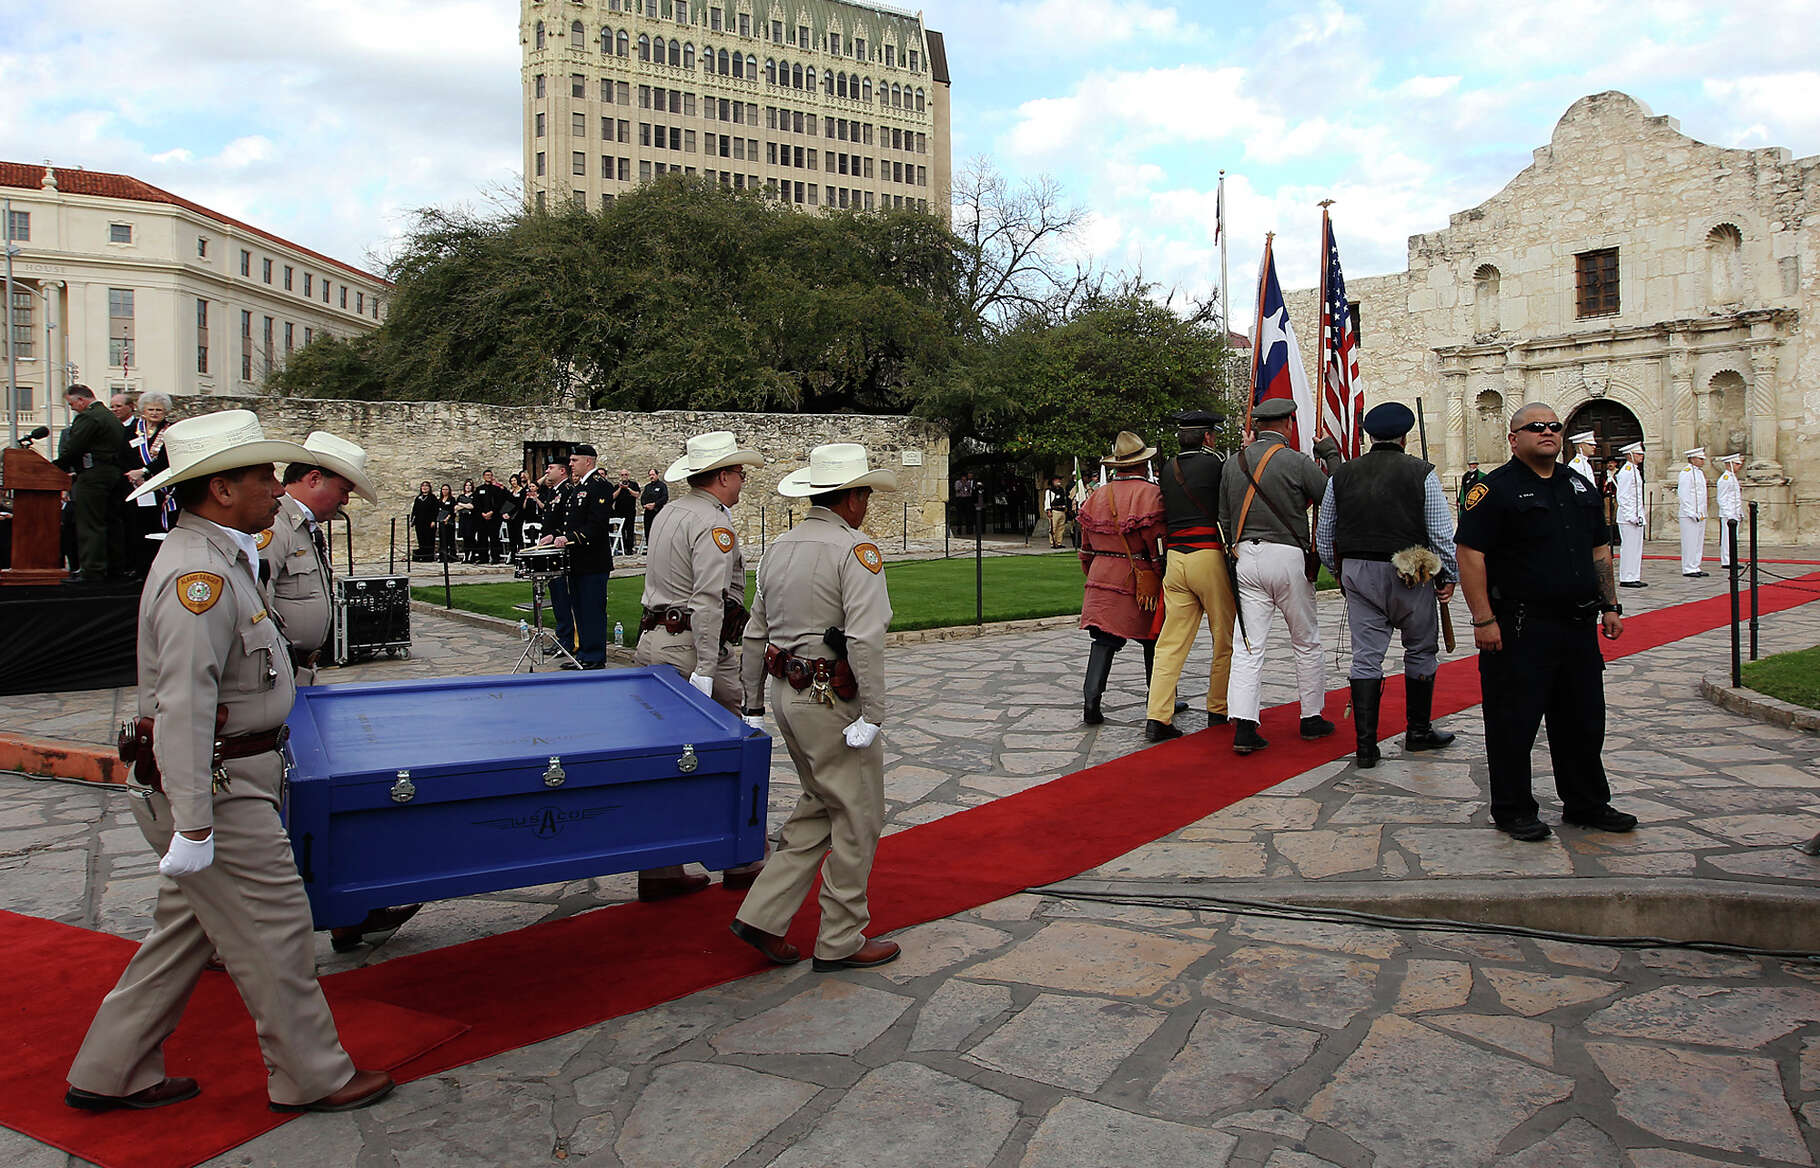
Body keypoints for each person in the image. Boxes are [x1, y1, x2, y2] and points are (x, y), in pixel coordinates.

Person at [65, 409, 393, 1115]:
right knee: (276, 931)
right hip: (217, 787)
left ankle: (110, 1068)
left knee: (184, 934)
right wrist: (194, 823)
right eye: (262, 475)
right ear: (220, 490)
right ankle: (311, 1075)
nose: (278, 488)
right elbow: (183, 705)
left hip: (226, 778)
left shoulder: (219, 558)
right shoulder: (199, 577)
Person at [729, 443, 900, 972]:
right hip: (832, 696)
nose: (867, 502)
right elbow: (865, 639)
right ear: (849, 499)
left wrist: (753, 699)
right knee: (857, 814)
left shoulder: (780, 547)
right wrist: (873, 713)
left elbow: (755, 630)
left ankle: (763, 913)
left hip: (788, 691)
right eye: (865, 492)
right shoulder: (856, 550)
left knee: (819, 804)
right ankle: (843, 936)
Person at [1456, 402, 1634, 843]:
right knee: (1514, 723)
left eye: (1554, 426)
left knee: (1583, 720)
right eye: (1536, 427)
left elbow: (1598, 550)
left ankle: (1586, 802)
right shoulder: (1493, 490)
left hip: (1576, 626)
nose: (1548, 432)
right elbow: (1470, 554)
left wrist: (1610, 605)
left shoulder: (1579, 486)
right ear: (1514, 439)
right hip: (1519, 626)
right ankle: (1514, 809)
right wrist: (1482, 619)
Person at [634, 431, 768, 902]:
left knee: (665, 756)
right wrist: (708, 667)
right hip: (692, 645)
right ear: (724, 475)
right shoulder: (714, 524)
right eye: (740, 473)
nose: (743, 480)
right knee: (737, 747)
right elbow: (708, 600)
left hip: (656, 638)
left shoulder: (671, 511)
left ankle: (659, 864)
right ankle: (743, 856)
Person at [1315, 402, 1459, 769]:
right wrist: (1448, 576)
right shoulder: (1422, 472)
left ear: (1369, 435)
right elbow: (1441, 534)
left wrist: (1341, 570)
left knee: (1366, 657)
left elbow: (1325, 531)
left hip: (1359, 571)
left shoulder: (1341, 475)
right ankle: (1418, 731)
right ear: (1405, 436)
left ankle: (1366, 748)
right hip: (1409, 570)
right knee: (1421, 649)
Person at [1217, 398, 1338, 754]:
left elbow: (1224, 516)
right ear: (1287, 423)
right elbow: (1332, 497)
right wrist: (1331, 456)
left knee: (1248, 647)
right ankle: (1311, 717)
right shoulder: (1296, 461)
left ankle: (1244, 724)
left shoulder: (1232, 464)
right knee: (1305, 639)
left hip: (1244, 555)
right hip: (1287, 555)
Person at [1144, 410, 1235, 741]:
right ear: (1208, 437)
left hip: (1176, 559)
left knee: (1170, 643)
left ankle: (1158, 716)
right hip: (1207, 555)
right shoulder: (1217, 466)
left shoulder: (1168, 469)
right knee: (1223, 638)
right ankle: (1218, 708)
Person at [260, 432, 377, 686]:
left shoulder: (304, 528)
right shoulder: (274, 527)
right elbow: (259, 608)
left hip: (301, 670)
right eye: (343, 490)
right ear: (314, 479)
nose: (345, 500)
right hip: (280, 671)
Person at [1077, 432, 1166, 726]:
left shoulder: (1097, 495)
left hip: (1101, 574)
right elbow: (1156, 542)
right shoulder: (1151, 494)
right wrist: (1159, 572)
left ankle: (1091, 702)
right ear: (1142, 463)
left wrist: (1094, 570)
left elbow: (1085, 547)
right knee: (1154, 639)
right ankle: (1159, 702)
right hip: (1138, 579)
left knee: (1102, 640)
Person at [543, 444, 614, 667]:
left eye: (574, 460)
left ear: (588, 461)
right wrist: (556, 535)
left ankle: (594, 656)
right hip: (577, 560)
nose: (571, 464)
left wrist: (571, 537)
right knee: (580, 610)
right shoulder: (580, 487)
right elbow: (570, 521)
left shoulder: (599, 486)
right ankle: (584, 653)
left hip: (592, 560)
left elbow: (597, 524)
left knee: (592, 609)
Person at [52, 383, 130, 582]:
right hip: (113, 473)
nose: (72, 408)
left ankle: (92, 570)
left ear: (81, 400)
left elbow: (74, 448)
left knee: (90, 523)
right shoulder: (111, 418)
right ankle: (115, 568)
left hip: (93, 474)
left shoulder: (89, 417)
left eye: (72, 404)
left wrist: (55, 467)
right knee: (112, 522)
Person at [120, 392, 176, 576]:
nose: (154, 413)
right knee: (135, 526)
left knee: (155, 526)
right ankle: (137, 566)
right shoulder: (132, 430)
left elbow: (167, 459)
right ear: (142, 411)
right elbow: (123, 454)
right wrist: (133, 474)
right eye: (150, 409)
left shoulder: (170, 431)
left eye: (158, 410)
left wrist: (145, 472)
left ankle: (155, 568)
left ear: (165, 412)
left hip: (159, 485)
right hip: (134, 484)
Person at [538, 459, 575, 651]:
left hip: (560, 549)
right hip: (550, 549)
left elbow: (569, 520)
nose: (547, 471)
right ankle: (563, 637)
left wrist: (556, 534)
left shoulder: (568, 490)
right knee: (556, 596)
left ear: (562, 471)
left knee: (562, 595)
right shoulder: (554, 491)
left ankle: (567, 640)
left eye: (551, 468)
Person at [1614, 442, 1646, 587]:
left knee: (1636, 547)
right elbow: (1623, 496)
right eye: (1639, 454)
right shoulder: (1626, 472)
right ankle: (1627, 577)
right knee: (1628, 547)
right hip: (1628, 517)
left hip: (1636, 516)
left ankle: (1634, 575)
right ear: (1630, 455)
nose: (1641, 457)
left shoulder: (1635, 470)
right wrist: (1630, 515)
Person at [1677, 448, 1709, 577]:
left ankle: (1695, 565)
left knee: (1697, 541)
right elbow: (1684, 494)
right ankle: (1688, 567)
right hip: (1688, 514)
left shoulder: (1699, 473)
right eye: (1700, 459)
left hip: (1700, 513)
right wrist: (1690, 511)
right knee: (1689, 541)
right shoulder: (1686, 473)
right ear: (1692, 459)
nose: (1702, 461)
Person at [472, 470, 507, 565]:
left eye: (490, 475)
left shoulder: (496, 489)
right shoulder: (479, 489)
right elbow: (476, 503)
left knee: (494, 538)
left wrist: (492, 512)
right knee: (482, 538)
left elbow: (499, 503)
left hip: (494, 517)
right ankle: (483, 558)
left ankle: (495, 557)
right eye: (487, 475)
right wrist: (482, 513)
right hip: (482, 518)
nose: (489, 477)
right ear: (483, 477)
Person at [1717, 452, 1744, 568]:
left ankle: (1732, 559)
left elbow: (1736, 497)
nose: (1739, 466)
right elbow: (1722, 498)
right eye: (1737, 464)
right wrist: (1729, 514)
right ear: (1730, 464)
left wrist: (1739, 512)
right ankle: (1727, 560)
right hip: (1728, 514)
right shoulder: (1725, 478)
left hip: (1734, 512)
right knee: (1727, 539)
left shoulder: (1732, 477)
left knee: (1733, 538)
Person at [611, 468, 641, 556]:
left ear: (628, 475)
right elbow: (613, 497)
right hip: (619, 512)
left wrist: (628, 488)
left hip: (630, 511)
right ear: (620, 476)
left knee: (630, 530)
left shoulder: (633, 484)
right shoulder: (617, 486)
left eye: (626, 475)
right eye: (622, 475)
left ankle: (630, 548)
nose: (624, 476)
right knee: (621, 530)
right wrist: (620, 488)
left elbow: (637, 494)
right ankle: (622, 548)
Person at [640, 467, 669, 550]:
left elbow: (665, 498)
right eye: (650, 475)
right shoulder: (647, 487)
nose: (651, 476)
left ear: (657, 475)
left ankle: (659, 548)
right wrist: (644, 505)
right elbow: (643, 498)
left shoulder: (662, 486)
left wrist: (655, 504)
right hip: (648, 512)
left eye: (653, 474)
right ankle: (650, 547)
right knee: (648, 530)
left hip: (658, 512)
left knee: (658, 530)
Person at [410, 482, 439, 561]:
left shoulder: (432, 498)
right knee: (421, 539)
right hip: (419, 522)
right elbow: (414, 510)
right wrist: (412, 520)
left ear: (429, 488)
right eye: (423, 486)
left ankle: (429, 557)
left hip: (429, 522)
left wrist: (433, 520)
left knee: (429, 539)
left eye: (426, 486)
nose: (424, 487)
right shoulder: (418, 498)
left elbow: (435, 510)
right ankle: (422, 556)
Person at [453, 479, 477, 561]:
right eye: (466, 485)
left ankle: (472, 555)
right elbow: (456, 508)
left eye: (469, 485)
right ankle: (466, 555)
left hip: (471, 519)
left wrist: (462, 505)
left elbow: (472, 506)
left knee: (471, 537)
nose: (468, 487)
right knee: (465, 537)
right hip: (463, 518)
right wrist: (465, 505)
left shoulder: (474, 496)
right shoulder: (461, 496)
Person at [1043, 476, 1069, 549]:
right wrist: (1048, 510)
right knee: (1053, 528)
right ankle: (1053, 542)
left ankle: (1059, 542)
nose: (1058, 481)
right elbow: (1047, 501)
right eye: (1056, 480)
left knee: (1061, 528)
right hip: (1054, 511)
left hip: (1062, 510)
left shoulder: (1061, 490)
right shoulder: (1050, 491)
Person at [434, 484, 458, 562]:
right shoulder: (440, 500)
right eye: (443, 489)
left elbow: (453, 511)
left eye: (446, 489)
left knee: (450, 539)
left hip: (449, 522)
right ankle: (443, 556)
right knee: (443, 539)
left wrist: (447, 518)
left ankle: (452, 556)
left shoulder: (452, 499)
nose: (444, 491)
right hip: (442, 522)